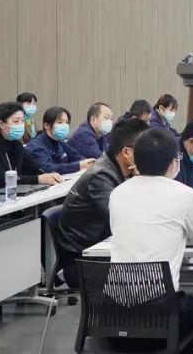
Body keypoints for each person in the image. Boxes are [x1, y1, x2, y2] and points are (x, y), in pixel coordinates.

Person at [109, 128, 193, 354]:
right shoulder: (184, 195)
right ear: (174, 163)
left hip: (112, 322)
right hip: (160, 322)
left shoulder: (117, 193)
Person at [58, 117, 148, 286]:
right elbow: (123, 219)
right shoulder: (101, 175)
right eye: (146, 150)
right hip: (84, 261)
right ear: (127, 152)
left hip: (102, 250)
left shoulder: (119, 170)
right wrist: (141, 182)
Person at [0, 102, 63, 194]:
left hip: (13, 195)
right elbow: (2, 180)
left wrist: (48, 175)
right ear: (2, 124)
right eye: (16, 121)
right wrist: (38, 179)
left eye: (22, 121)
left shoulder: (16, 145)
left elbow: (31, 167)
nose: (22, 125)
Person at [25, 106, 95, 174]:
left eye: (66, 122)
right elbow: (49, 169)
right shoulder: (36, 147)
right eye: (60, 122)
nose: (65, 125)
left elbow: (74, 156)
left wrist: (86, 162)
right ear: (47, 125)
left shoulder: (59, 141)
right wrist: (79, 165)